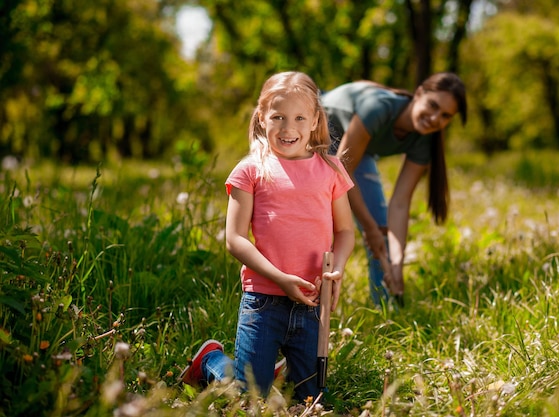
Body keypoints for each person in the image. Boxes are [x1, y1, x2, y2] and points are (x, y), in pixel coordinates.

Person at [179, 71, 355, 402]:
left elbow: (346, 231)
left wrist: (339, 267)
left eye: (300, 117)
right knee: (250, 400)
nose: (289, 128)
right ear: (262, 118)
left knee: (311, 399)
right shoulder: (250, 170)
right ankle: (211, 361)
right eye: (278, 117)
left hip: (312, 302)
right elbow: (235, 239)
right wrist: (280, 277)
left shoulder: (330, 168)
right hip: (263, 301)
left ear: (315, 119)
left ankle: (268, 366)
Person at [321, 72, 467, 307]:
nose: (434, 118)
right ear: (419, 93)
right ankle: (308, 308)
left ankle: (386, 311)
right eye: (432, 105)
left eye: (445, 116)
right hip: (317, 133)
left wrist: (397, 263)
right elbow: (341, 176)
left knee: (383, 235)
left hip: (351, 152)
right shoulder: (378, 108)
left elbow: (400, 202)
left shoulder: (424, 139)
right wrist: (369, 229)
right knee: (322, 226)